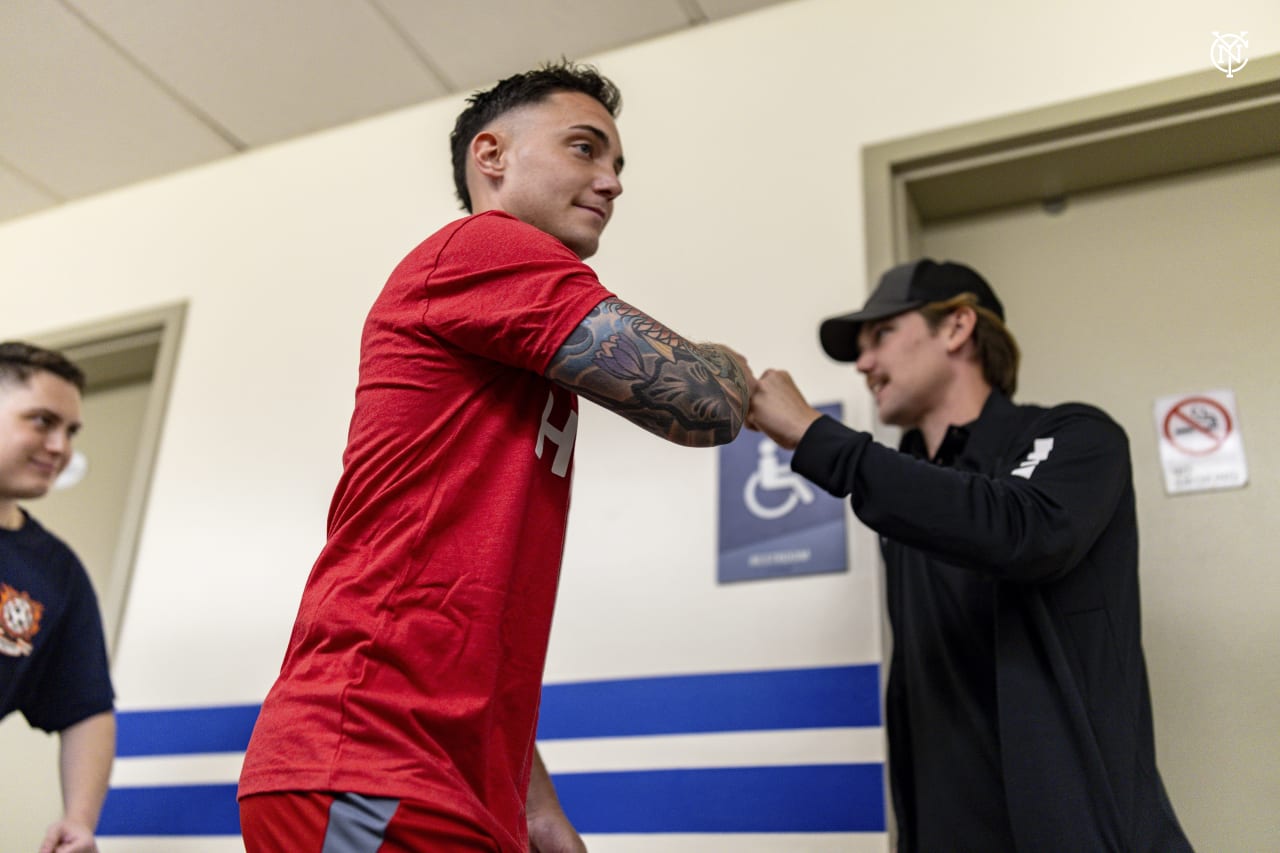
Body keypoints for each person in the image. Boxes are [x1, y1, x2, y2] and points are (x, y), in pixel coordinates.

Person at [238, 61, 752, 852]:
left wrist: (534, 803)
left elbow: (474, 631)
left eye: (618, 165)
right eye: (585, 149)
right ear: (492, 157)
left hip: (455, 781)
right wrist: (736, 366)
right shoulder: (484, 248)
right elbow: (704, 403)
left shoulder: (516, 326)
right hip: (368, 759)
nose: (611, 181)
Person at [745, 259, 1192, 851]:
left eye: (881, 335)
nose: (864, 365)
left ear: (957, 328)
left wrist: (816, 437)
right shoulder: (903, 498)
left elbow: (1021, 529)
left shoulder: (1074, 436)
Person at [0, 342, 116, 853]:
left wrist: (79, 820)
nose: (60, 446)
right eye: (41, 421)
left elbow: (85, 706)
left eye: (70, 431)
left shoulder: (54, 572)